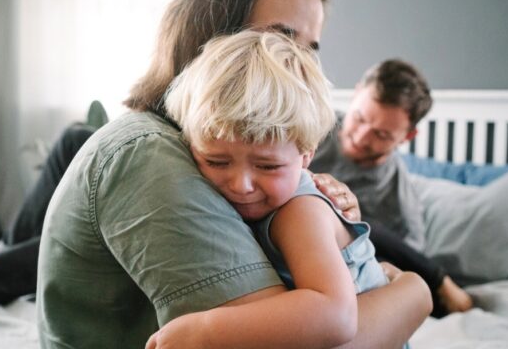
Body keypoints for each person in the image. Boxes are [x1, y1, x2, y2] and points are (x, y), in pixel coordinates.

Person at [37, 0, 430, 348]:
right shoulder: (151, 153)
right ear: (211, 35)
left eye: (308, 50)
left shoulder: (291, 195)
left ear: (305, 156)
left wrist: (410, 285)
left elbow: (328, 316)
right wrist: (413, 293)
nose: (294, 65)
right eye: (281, 38)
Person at [146, 30, 390, 348]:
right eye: (217, 162)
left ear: (305, 156)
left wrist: (206, 331)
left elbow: (337, 316)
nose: (241, 185)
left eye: (267, 166)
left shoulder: (299, 212)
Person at [309, 58, 473, 315]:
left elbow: (405, 275)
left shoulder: (399, 197)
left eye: (381, 135)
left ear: (407, 137)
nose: (361, 137)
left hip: (346, 269)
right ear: (355, 94)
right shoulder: (310, 127)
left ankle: (438, 278)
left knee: (352, 219)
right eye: (360, 118)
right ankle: (438, 276)